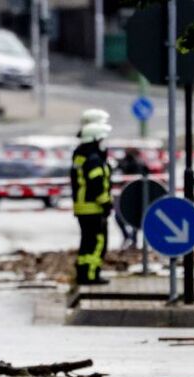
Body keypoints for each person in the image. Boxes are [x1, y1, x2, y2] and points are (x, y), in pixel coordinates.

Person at [71, 110, 113, 285]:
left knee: (87, 242)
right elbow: (96, 185)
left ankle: (84, 273)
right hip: (93, 207)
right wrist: (106, 203)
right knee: (97, 242)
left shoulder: (80, 153)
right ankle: (91, 275)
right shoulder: (94, 159)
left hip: (82, 206)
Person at [113, 148, 147, 249]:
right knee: (129, 219)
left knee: (131, 219)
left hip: (133, 197)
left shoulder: (134, 164)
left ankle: (131, 239)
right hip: (130, 196)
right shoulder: (139, 163)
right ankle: (131, 238)